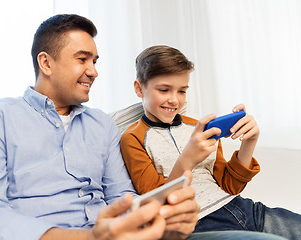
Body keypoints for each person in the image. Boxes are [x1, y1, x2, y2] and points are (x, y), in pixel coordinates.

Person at [0, 14, 288, 240]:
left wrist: (163, 221)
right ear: (46, 63)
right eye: (82, 59)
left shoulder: (101, 125)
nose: (94, 71)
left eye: (95, 62)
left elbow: (125, 198)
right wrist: (90, 237)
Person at [120, 45, 301, 240]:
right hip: (200, 222)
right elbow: (156, 203)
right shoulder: (132, 138)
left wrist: (249, 142)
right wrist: (187, 159)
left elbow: (230, 186)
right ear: (139, 88)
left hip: (243, 208)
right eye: (164, 90)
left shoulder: (197, 127)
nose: (174, 100)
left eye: (182, 91)